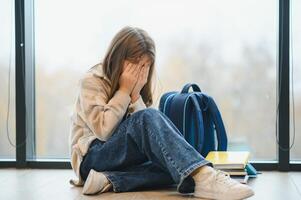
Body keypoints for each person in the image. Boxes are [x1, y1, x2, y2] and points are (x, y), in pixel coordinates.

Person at [68, 26, 254, 200]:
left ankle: (109, 179)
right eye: (136, 65)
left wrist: (135, 96)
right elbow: (104, 130)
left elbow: (144, 136)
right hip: (92, 157)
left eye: (145, 66)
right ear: (119, 58)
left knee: (177, 167)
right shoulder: (92, 80)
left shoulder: (138, 86)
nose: (140, 73)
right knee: (169, 148)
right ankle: (204, 177)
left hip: (118, 161)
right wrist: (124, 91)